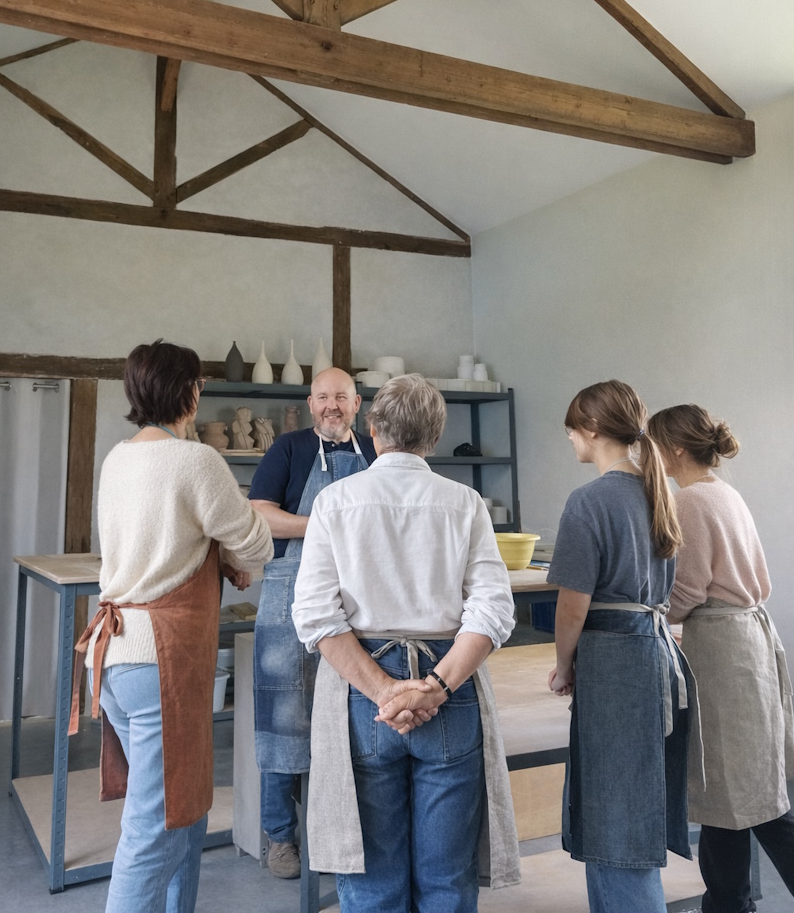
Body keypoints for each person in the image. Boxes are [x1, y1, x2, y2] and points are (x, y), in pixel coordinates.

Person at [292, 373, 520, 912]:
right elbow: (493, 610)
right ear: (434, 438)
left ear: (371, 430)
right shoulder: (464, 503)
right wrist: (433, 688)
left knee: (372, 881)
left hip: (361, 692)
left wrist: (383, 692)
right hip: (448, 685)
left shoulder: (335, 501)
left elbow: (315, 615)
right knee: (446, 879)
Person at [69, 339, 274, 913]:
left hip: (112, 657)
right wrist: (239, 560)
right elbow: (253, 537)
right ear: (190, 392)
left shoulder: (117, 458)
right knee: (156, 822)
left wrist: (219, 551)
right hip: (160, 658)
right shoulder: (195, 461)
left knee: (185, 808)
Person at [546, 379, 695, 913]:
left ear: (590, 430)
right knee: (634, 801)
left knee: (613, 810)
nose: (570, 439)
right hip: (653, 653)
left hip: (612, 662)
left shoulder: (589, 501)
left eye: (571, 429)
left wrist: (563, 664)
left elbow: (571, 606)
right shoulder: (660, 492)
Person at [647, 404, 794, 913]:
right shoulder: (724, 493)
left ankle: (728, 903)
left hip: (722, 651)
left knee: (740, 793)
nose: (649, 453)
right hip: (744, 641)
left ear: (676, 448)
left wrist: (651, 614)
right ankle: (727, 903)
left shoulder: (689, 501)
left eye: (654, 443)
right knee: (732, 794)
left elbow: (686, 590)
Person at [248, 367, 376, 878]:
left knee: (353, 716)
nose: (332, 406)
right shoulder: (289, 448)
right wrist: (326, 525)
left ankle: (343, 832)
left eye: (341, 397)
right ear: (309, 402)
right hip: (290, 594)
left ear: (357, 402)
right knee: (284, 716)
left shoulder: (375, 449)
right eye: (323, 397)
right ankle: (281, 837)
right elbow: (260, 513)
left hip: (359, 597)